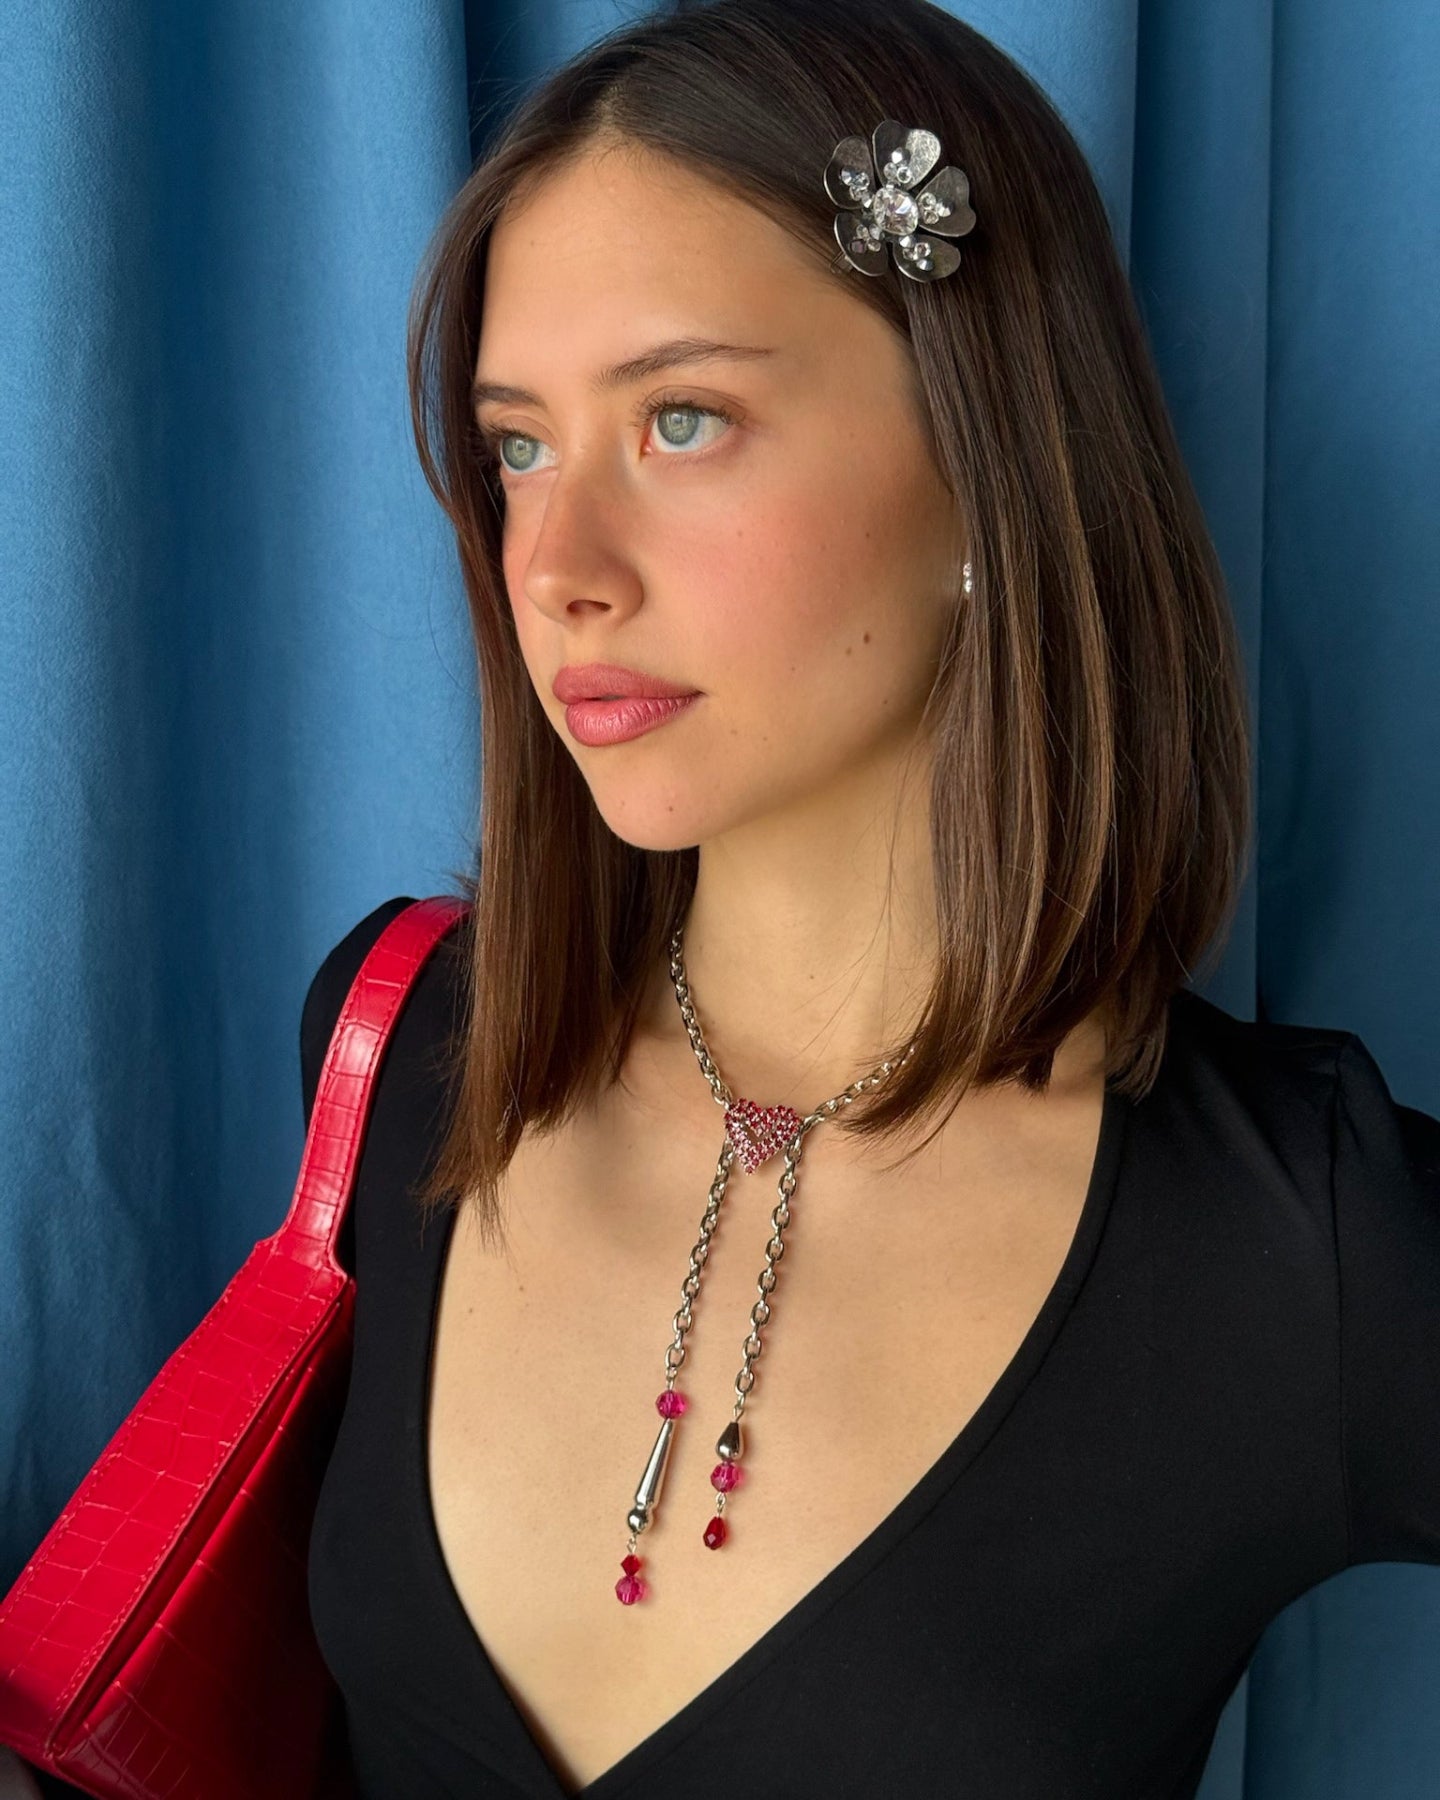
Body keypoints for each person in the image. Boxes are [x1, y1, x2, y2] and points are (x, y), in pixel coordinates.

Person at [298, 0, 1440, 1794]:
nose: (558, 568)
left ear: (986, 457)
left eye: (683, 420)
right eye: (518, 447)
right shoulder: (405, 1044)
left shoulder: (1304, 1246)